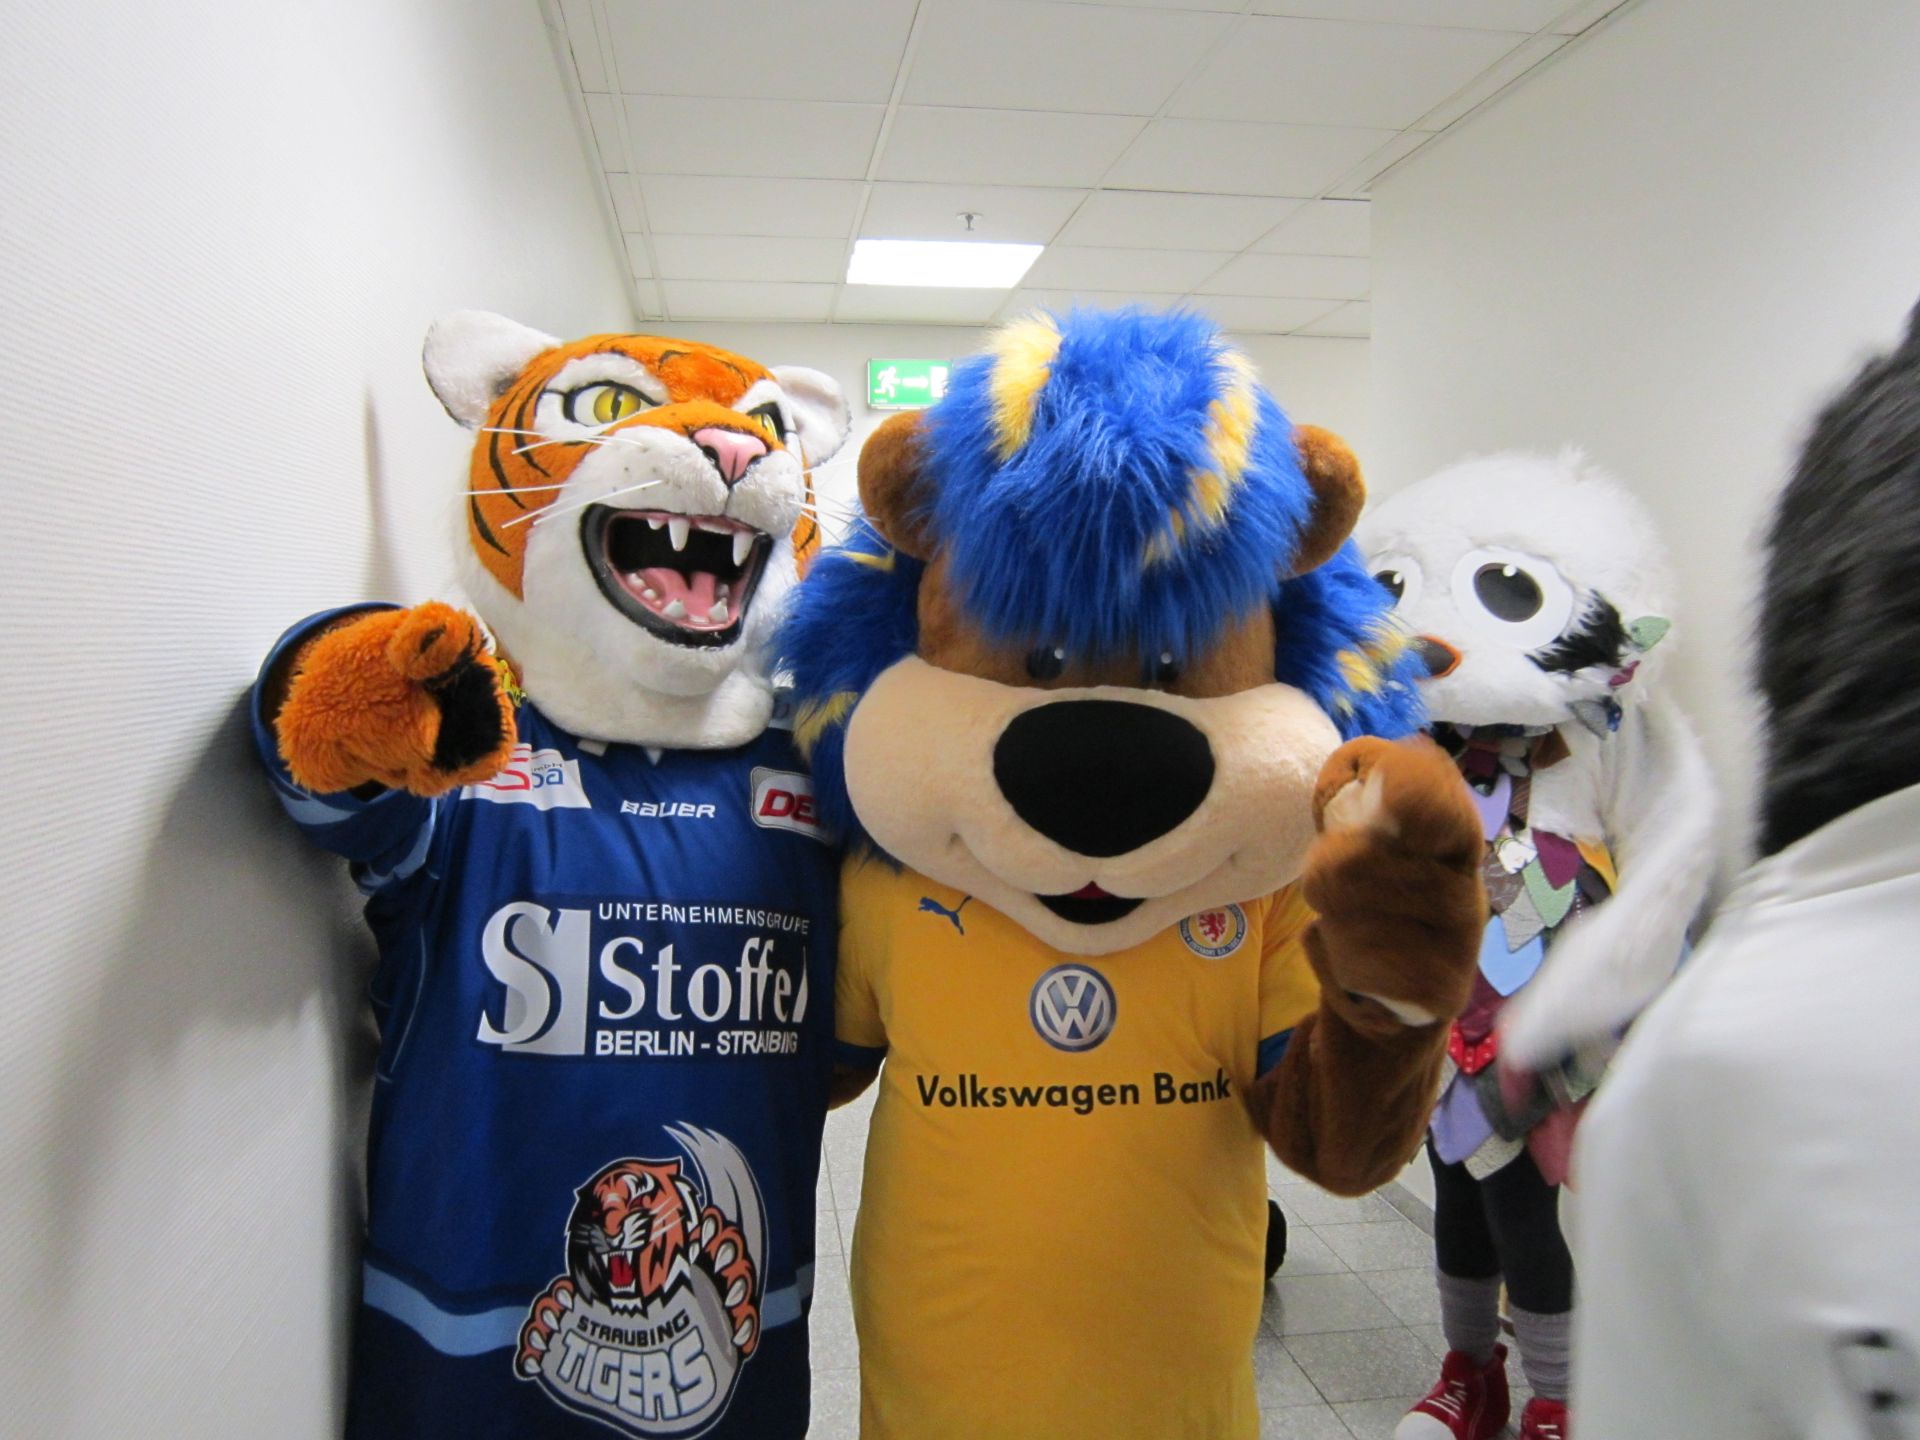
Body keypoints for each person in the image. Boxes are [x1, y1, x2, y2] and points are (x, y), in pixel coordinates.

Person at [1576, 300, 1920, 1438]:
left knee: (1538, 1217)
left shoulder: (1726, 1047)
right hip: (1508, 1019)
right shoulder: (1724, 1065)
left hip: (1587, 1013)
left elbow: (1663, 854)